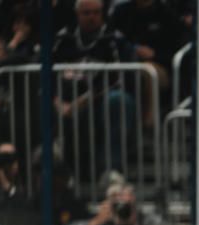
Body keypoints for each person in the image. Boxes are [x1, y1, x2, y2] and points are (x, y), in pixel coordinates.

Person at [51, 0, 137, 181]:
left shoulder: (114, 39)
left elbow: (118, 79)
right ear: (77, 14)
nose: (92, 17)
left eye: (96, 13)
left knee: (119, 100)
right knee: (39, 100)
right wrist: (56, 100)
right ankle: (55, 168)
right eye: (87, 13)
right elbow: (44, 74)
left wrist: (81, 102)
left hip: (98, 101)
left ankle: (110, 170)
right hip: (64, 101)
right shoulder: (63, 39)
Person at [55, 177, 175, 225]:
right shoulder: (101, 223)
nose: (121, 206)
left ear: (133, 200)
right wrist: (94, 223)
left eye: (123, 198)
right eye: (116, 201)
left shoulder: (146, 220)